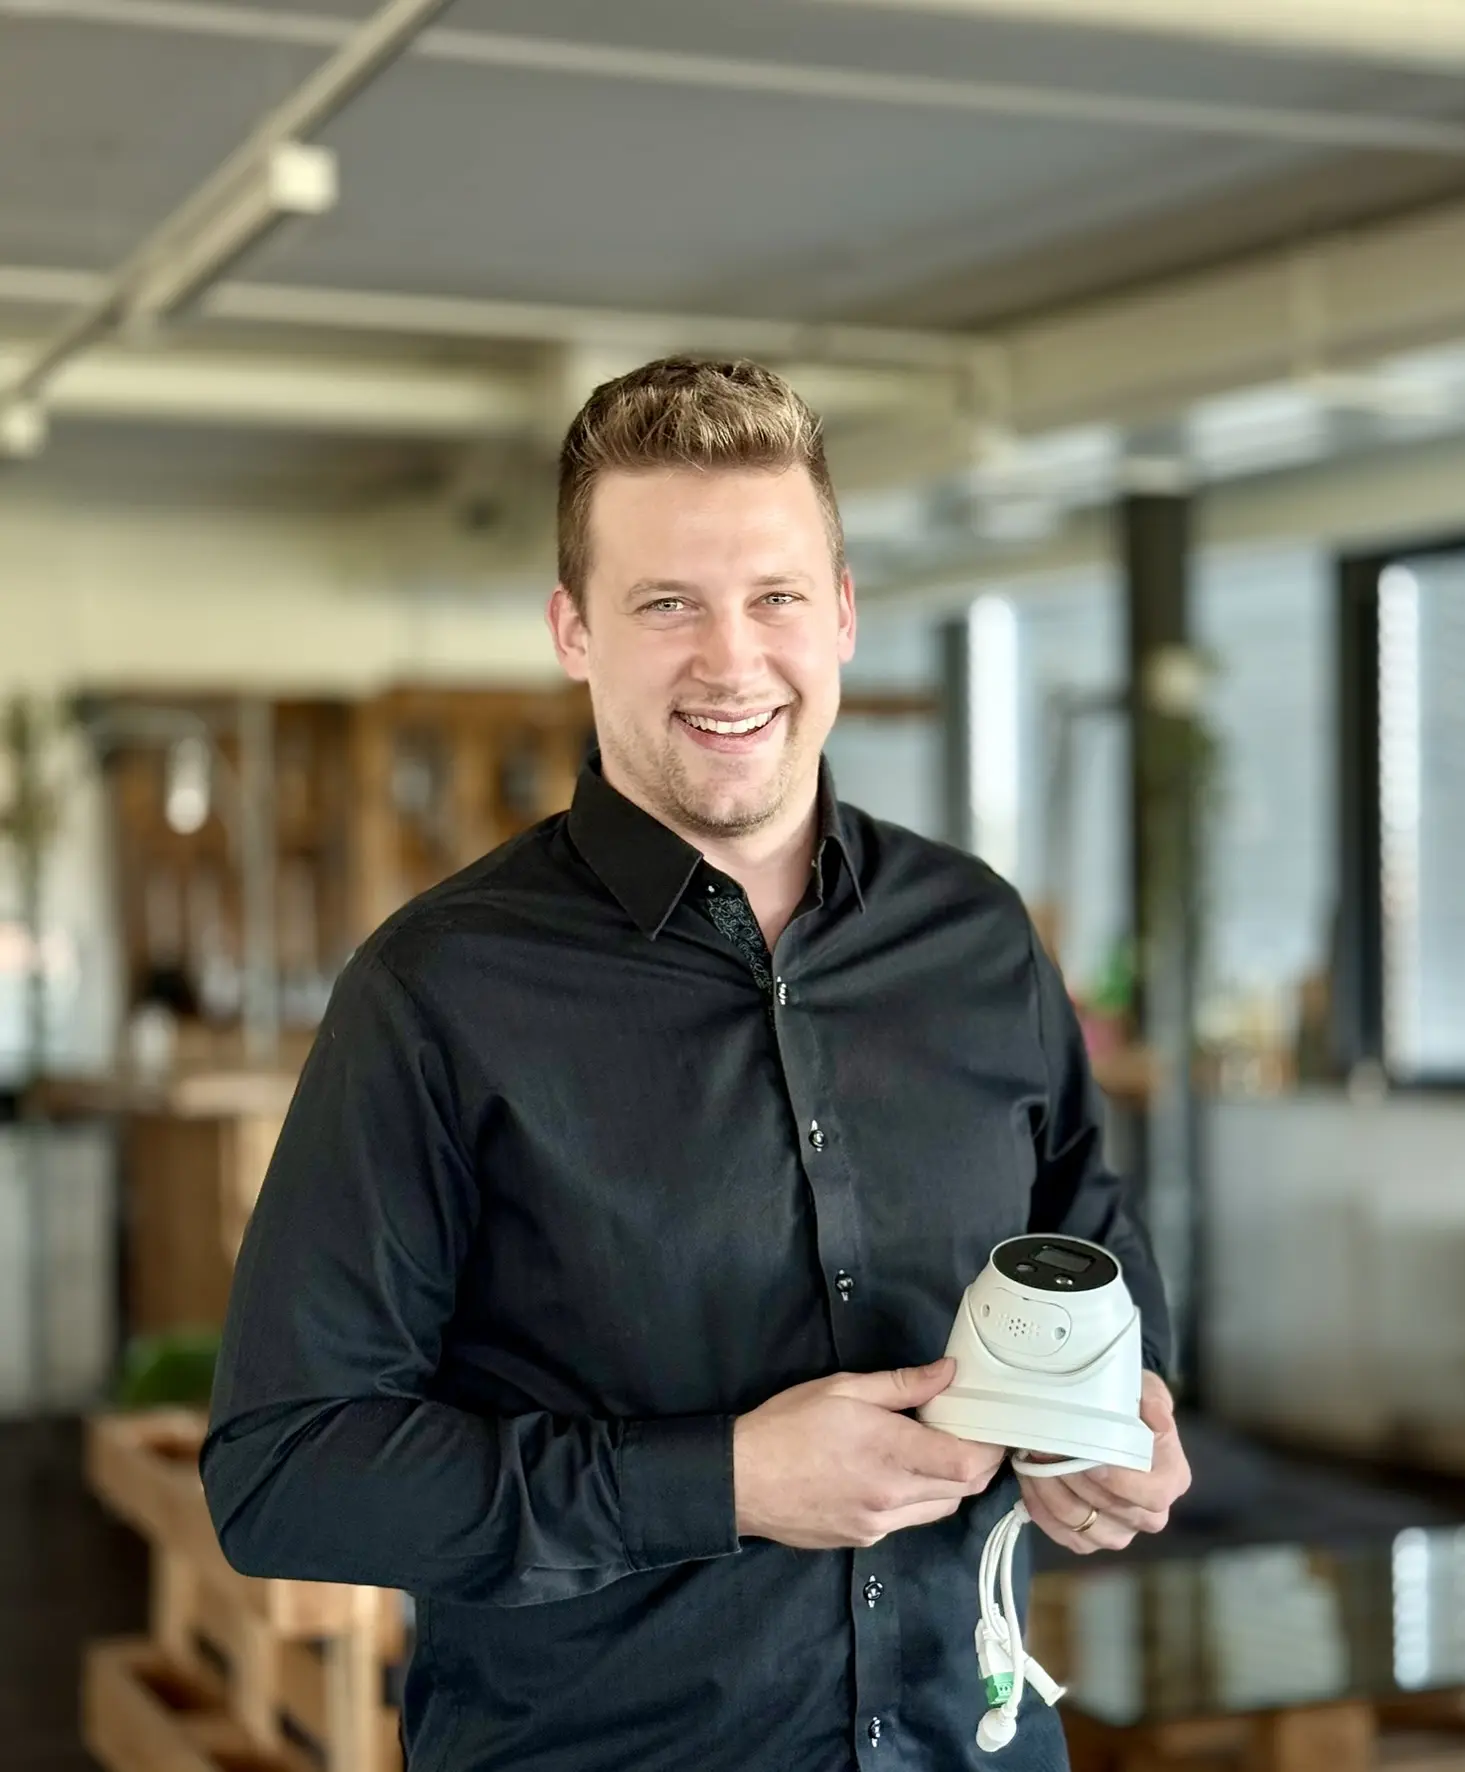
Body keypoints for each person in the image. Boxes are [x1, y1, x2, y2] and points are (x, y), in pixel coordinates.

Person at [201, 357, 1190, 1771]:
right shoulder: (437, 993)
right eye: (668, 604)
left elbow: (1091, 1247)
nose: (733, 660)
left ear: (842, 613)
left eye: (776, 596)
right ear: (573, 630)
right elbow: (285, 1475)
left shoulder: (976, 937)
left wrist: (1126, 1418)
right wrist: (720, 1482)